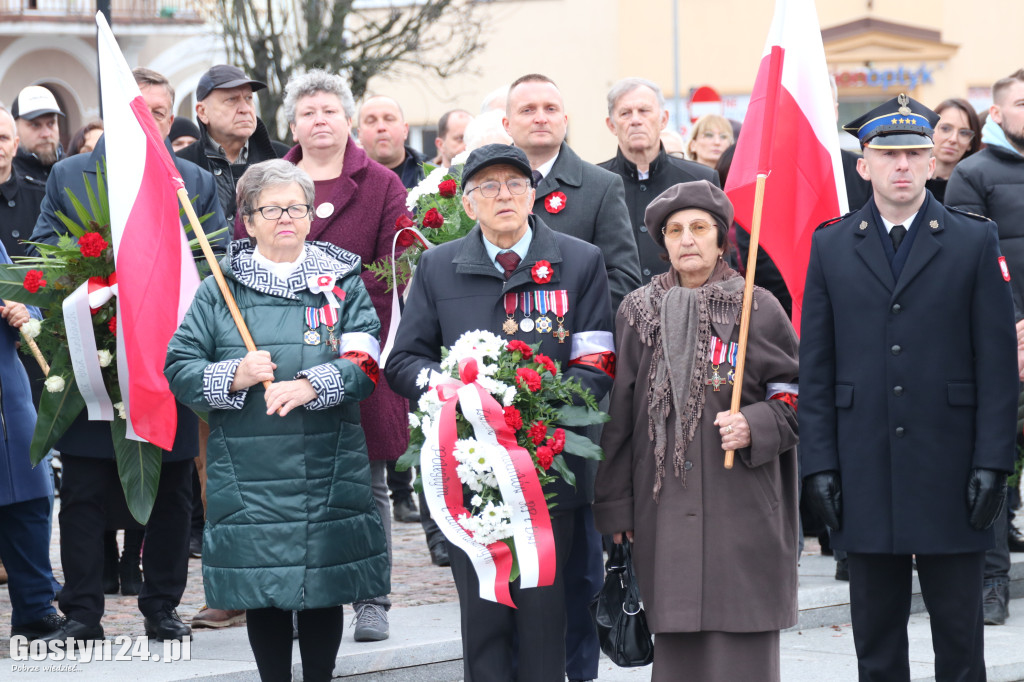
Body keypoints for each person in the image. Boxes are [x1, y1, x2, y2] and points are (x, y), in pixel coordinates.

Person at [801, 94, 1017, 681]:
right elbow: (815, 365)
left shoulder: (974, 241)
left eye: (915, 153)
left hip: (950, 466)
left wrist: (994, 462)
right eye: (887, 154)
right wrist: (817, 464)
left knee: (959, 639)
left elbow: (997, 365)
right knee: (875, 639)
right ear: (863, 163)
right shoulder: (831, 244)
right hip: (863, 464)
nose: (903, 165)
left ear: (932, 162)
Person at [385, 144, 615, 682]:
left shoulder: (580, 261)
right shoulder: (438, 267)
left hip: (553, 471)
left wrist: (530, 414)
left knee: (550, 622)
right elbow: (403, 361)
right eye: (488, 186)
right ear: (468, 204)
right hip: (470, 477)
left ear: (535, 194)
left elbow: (597, 361)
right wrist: (458, 400)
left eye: (515, 183)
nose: (503, 195)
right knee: (485, 623)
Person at [165, 159, 388, 682]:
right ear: (248, 218)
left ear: (311, 216)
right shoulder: (220, 289)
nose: (285, 217)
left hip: (328, 462)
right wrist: (234, 375)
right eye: (271, 208)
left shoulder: (342, 282)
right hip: (249, 470)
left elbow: (367, 361)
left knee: (322, 589)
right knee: (262, 589)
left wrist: (316, 384)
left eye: (296, 207)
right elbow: (179, 366)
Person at [29, 67, 226, 646]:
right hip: (95, 357)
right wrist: (95, 292)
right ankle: (83, 613)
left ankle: (161, 606)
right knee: (85, 492)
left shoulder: (192, 178)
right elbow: (44, 254)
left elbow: (216, 258)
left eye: (160, 113)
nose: (148, 121)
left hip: (169, 362)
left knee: (170, 490)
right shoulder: (69, 176)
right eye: (137, 110)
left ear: (170, 119)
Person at [593, 180, 799, 682]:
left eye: (699, 228)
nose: (687, 239)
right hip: (661, 506)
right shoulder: (637, 313)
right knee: (679, 644)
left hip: (743, 502)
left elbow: (795, 395)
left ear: (721, 238)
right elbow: (619, 417)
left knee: (740, 644)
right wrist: (616, 508)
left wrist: (755, 423)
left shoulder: (757, 306)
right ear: (663, 241)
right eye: (675, 230)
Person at [504, 73, 639, 682]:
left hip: (572, 398)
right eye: (526, 109)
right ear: (506, 122)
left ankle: (577, 669)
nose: (539, 117)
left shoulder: (600, 187)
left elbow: (622, 285)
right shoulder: (477, 187)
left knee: (576, 556)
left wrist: (561, 359)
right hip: (495, 401)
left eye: (550, 107)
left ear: (567, 119)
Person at [271, 68, 412, 639]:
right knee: (290, 482)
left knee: (366, 483)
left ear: (347, 119)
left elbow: (392, 273)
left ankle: (371, 597)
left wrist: (340, 325)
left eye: (330, 110)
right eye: (308, 112)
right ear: (293, 123)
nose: (319, 120)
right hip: (281, 352)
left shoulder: (380, 184)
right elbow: (249, 262)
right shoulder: (270, 182)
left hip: (360, 352)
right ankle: (299, 592)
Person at [946, 71, 1024, 625]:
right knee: (996, 459)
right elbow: (970, 264)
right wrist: (1013, 324)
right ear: (996, 114)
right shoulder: (973, 175)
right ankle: (992, 582)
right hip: (1006, 342)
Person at [0, 243, 65, 643]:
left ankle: (36, 608)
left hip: (10, 394)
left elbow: (25, 299)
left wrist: (25, 312)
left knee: (30, 498)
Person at [600, 77, 719, 282]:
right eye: (625, 113)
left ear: (663, 119)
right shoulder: (595, 184)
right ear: (611, 125)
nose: (635, 120)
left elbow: (721, 253)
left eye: (644, 111)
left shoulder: (700, 180)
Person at [176, 64, 289, 219]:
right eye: (231, 100)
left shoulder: (284, 159)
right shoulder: (181, 166)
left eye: (248, 98)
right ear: (202, 112)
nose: (245, 108)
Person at [357, 95, 425, 189]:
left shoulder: (433, 180)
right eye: (371, 121)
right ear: (359, 134)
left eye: (389, 119)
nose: (381, 127)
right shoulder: (343, 183)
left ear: (405, 130)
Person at [927, 98, 981, 203]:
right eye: (946, 129)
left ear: (970, 143)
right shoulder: (910, 181)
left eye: (964, 133)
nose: (953, 139)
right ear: (930, 132)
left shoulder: (977, 188)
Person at [11, 85, 64, 182]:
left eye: (51, 123)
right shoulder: (7, 180)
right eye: (35, 125)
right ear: (15, 129)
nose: (46, 134)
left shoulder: (73, 172)